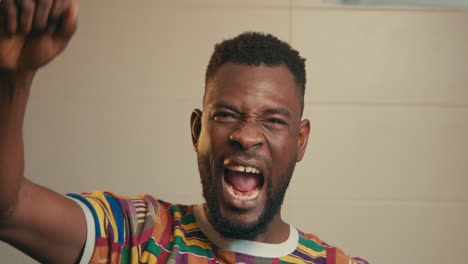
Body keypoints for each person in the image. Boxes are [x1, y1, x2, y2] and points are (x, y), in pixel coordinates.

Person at [0, 1, 368, 263]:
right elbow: (9, 208)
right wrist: (15, 77)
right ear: (198, 130)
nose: (247, 135)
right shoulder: (135, 233)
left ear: (300, 141)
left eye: (273, 120)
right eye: (226, 114)